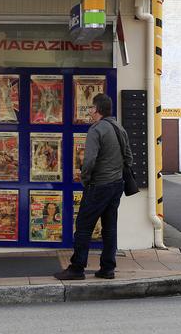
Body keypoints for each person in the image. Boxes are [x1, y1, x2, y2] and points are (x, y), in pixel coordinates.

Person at [55, 93, 132, 281]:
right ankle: (107, 269)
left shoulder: (96, 130)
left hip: (99, 185)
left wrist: (85, 179)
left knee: (83, 226)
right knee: (109, 227)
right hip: (116, 186)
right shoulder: (119, 128)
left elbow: (89, 161)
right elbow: (128, 157)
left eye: (91, 107)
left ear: (96, 110)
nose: (89, 110)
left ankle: (77, 268)